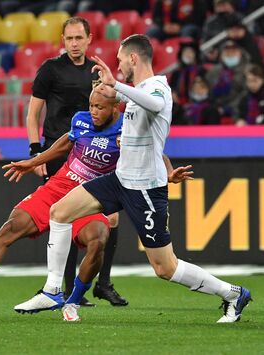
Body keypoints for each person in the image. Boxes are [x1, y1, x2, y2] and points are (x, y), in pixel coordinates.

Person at [20, 34, 252, 322]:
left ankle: (233, 293)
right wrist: (111, 92)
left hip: (145, 190)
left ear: (133, 58)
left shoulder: (158, 87)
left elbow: (154, 106)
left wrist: (117, 86)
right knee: (60, 211)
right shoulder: (135, 91)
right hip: (120, 180)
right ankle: (53, 290)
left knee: (165, 268)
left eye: (119, 60)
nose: (118, 66)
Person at [0, 91, 121, 312]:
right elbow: (65, 144)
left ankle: (72, 301)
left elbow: (155, 155)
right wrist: (33, 162)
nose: (93, 112)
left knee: (98, 240)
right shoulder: (81, 119)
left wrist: (167, 174)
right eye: (91, 106)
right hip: (58, 187)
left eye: (99, 107)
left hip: (90, 196)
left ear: (115, 108)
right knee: (12, 226)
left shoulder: (128, 131)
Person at [26, 16, 126, 306]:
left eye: (79, 38)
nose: (74, 44)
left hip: (93, 154)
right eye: (69, 39)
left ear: (89, 39)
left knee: (112, 217)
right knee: (64, 217)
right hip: (60, 152)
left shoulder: (97, 73)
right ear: (62, 40)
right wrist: (36, 152)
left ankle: (102, 283)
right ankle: (64, 287)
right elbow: (33, 114)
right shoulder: (50, 70)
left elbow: (114, 109)